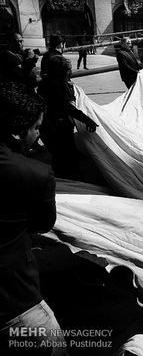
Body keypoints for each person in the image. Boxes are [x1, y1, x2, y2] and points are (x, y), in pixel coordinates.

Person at [0, 82, 68, 355]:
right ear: (18, 132)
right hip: (18, 306)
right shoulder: (34, 174)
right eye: (36, 128)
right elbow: (42, 224)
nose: (39, 134)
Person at [37, 35, 98, 181]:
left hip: (53, 125)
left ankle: (66, 177)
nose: (68, 74)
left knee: (63, 156)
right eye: (67, 72)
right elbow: (66, 106)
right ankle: (71, 181)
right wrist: (86, 119)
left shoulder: (49, 82)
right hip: (56, 126)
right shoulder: (55, 85)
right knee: (64, 157)